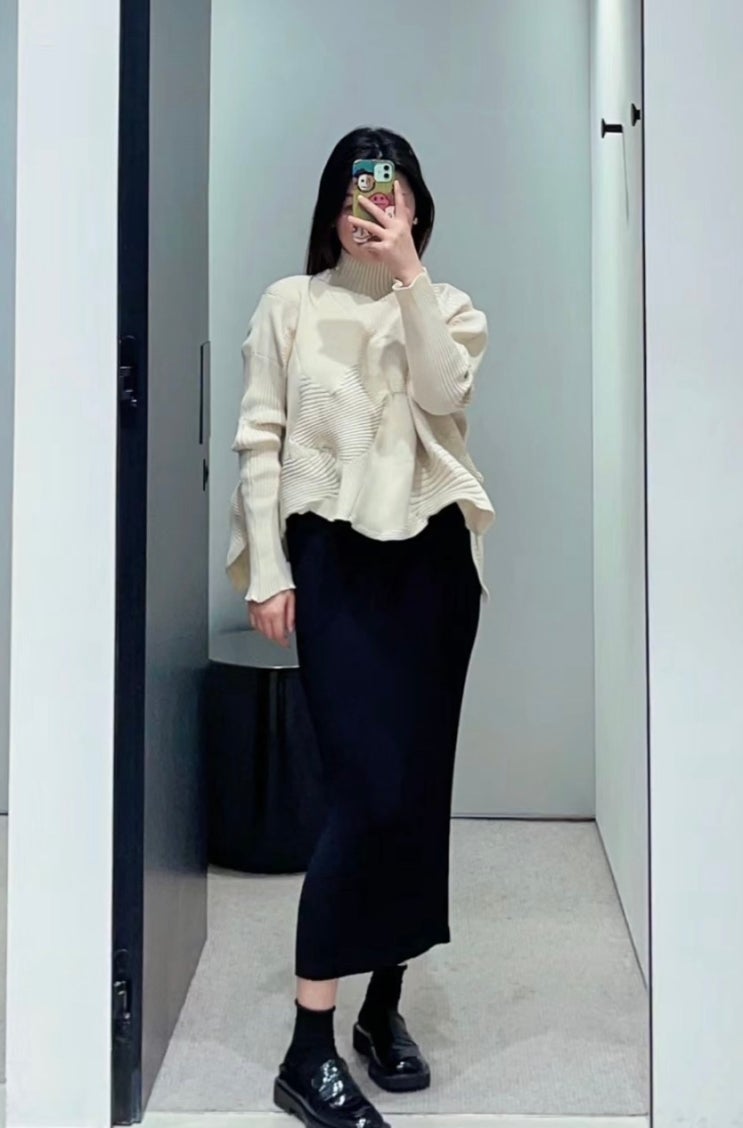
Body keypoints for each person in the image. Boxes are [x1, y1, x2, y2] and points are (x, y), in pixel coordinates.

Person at [227, 126, 494, 1128]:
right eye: (353, 189)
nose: (368, 206)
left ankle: (382, 1009)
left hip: (431, 568)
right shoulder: (289, 305)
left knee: (414, 797)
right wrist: (266, 565)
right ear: (330, 206)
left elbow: (442, 391)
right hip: (333, 561)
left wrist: (407, 275)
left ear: (414, 205)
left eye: (386, 190)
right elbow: (260, 439)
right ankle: (309, 1047)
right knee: (363, 796)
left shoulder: (447, 306)